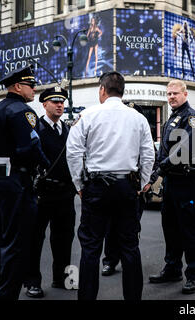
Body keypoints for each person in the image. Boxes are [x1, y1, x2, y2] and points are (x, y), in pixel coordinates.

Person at [66, 71, 155, 300]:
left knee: (91, 248)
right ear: (122, 92)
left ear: (102, 90)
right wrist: (142, 183)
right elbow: (148, 155)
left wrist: (79, 184)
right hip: (126, 186)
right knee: (129, 246)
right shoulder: (138, 118)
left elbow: (74, 152)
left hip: (96, 186)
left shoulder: (88, 114)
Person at [0, 66, 50, 300]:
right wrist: (45, 164)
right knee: (16, 244)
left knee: (3, 238)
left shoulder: (0, 109)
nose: (34, 89)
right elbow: (30, 148)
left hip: (1, 178)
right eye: (31, 85)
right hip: (17, 183)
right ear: (18, 87)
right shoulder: (23, 111)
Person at [148, 80, 195, 295]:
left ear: (185, 94)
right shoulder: (172, 118)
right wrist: (156, 171)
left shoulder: (192, 118)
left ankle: (194, 275)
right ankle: (172, 269)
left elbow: (184, 149)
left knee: (189, 231)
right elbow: (164, 151)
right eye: (169, 94)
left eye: (175, 93)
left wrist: (158, 171)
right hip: (171, 183)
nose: (171, 97)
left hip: (186, 182)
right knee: (170, 229)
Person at [23, 87, 77, 298]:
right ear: (44, 104)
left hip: (65, 193)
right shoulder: (36, 127)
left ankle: (62, 277)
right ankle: (32, 282)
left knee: (64, 238)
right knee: (35, 239)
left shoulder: (69, 129)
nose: (59, 105)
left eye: (62, 101)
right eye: (54, 102)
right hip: (42, 193)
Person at [101, 103, 160, 277]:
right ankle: (110, 261)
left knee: (131, 228)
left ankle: (129, 261)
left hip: (138, 192)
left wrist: (147, 182)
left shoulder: (144, 137)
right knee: (111, 227)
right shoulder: (118, 138)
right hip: (117, 188)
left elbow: (153, 163)